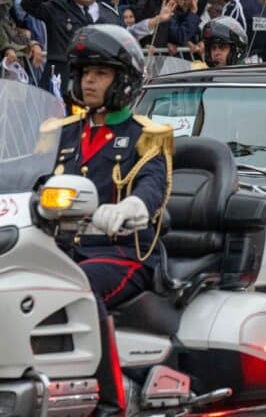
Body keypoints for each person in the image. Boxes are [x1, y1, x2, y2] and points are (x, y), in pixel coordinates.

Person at [51, 24, 171, 414]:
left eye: (100, 73)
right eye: (85, 72)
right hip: (63, 249)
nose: (89, 80)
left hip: (120, 252)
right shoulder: (61, 133)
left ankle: (110, 399)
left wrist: (125, 210)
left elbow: (153, 189)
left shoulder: (146, 135)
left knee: (79, 288)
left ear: (122, 81)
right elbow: (30, 178)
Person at [20, 0, 122, 99]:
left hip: (94, 80)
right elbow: (27, 4)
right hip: (60, 77)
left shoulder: (110, 15)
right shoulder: (57, 8)